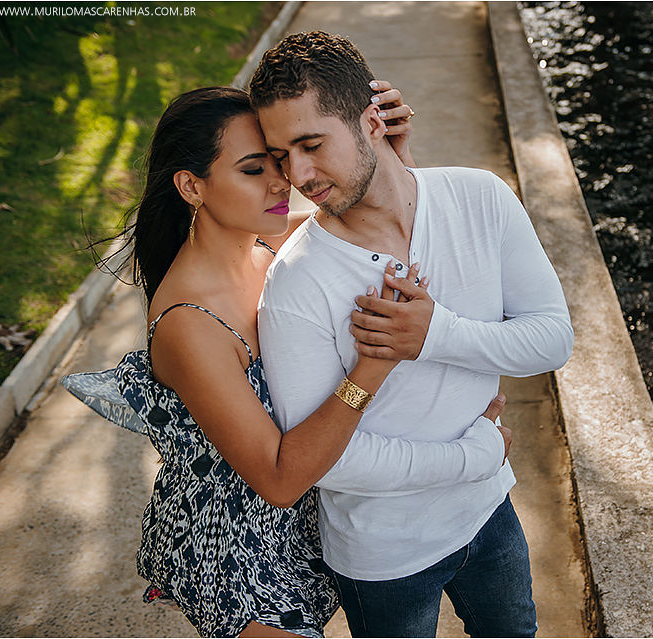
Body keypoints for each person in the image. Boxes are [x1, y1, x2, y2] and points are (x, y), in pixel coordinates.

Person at [62, 82, 511, 638]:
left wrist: (392, 158)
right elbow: (279, 481)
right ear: (191, 186)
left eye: (279, 161)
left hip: (310, 528)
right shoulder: (189, 325)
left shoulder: (274, 244)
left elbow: (386, 234)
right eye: (254, 169)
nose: (285, 181)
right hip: (238, 555)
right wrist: (372, 364)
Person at [251, 32, 574, 638]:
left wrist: (435, 335)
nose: (298, 174)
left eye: (311, 144)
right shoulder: (296, 282)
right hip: (384, 555)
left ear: (372, 120)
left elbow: (552, 339)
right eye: (281, 155)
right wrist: (471, 457)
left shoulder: (481, 197)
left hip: (488, 512)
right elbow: (329, 461)